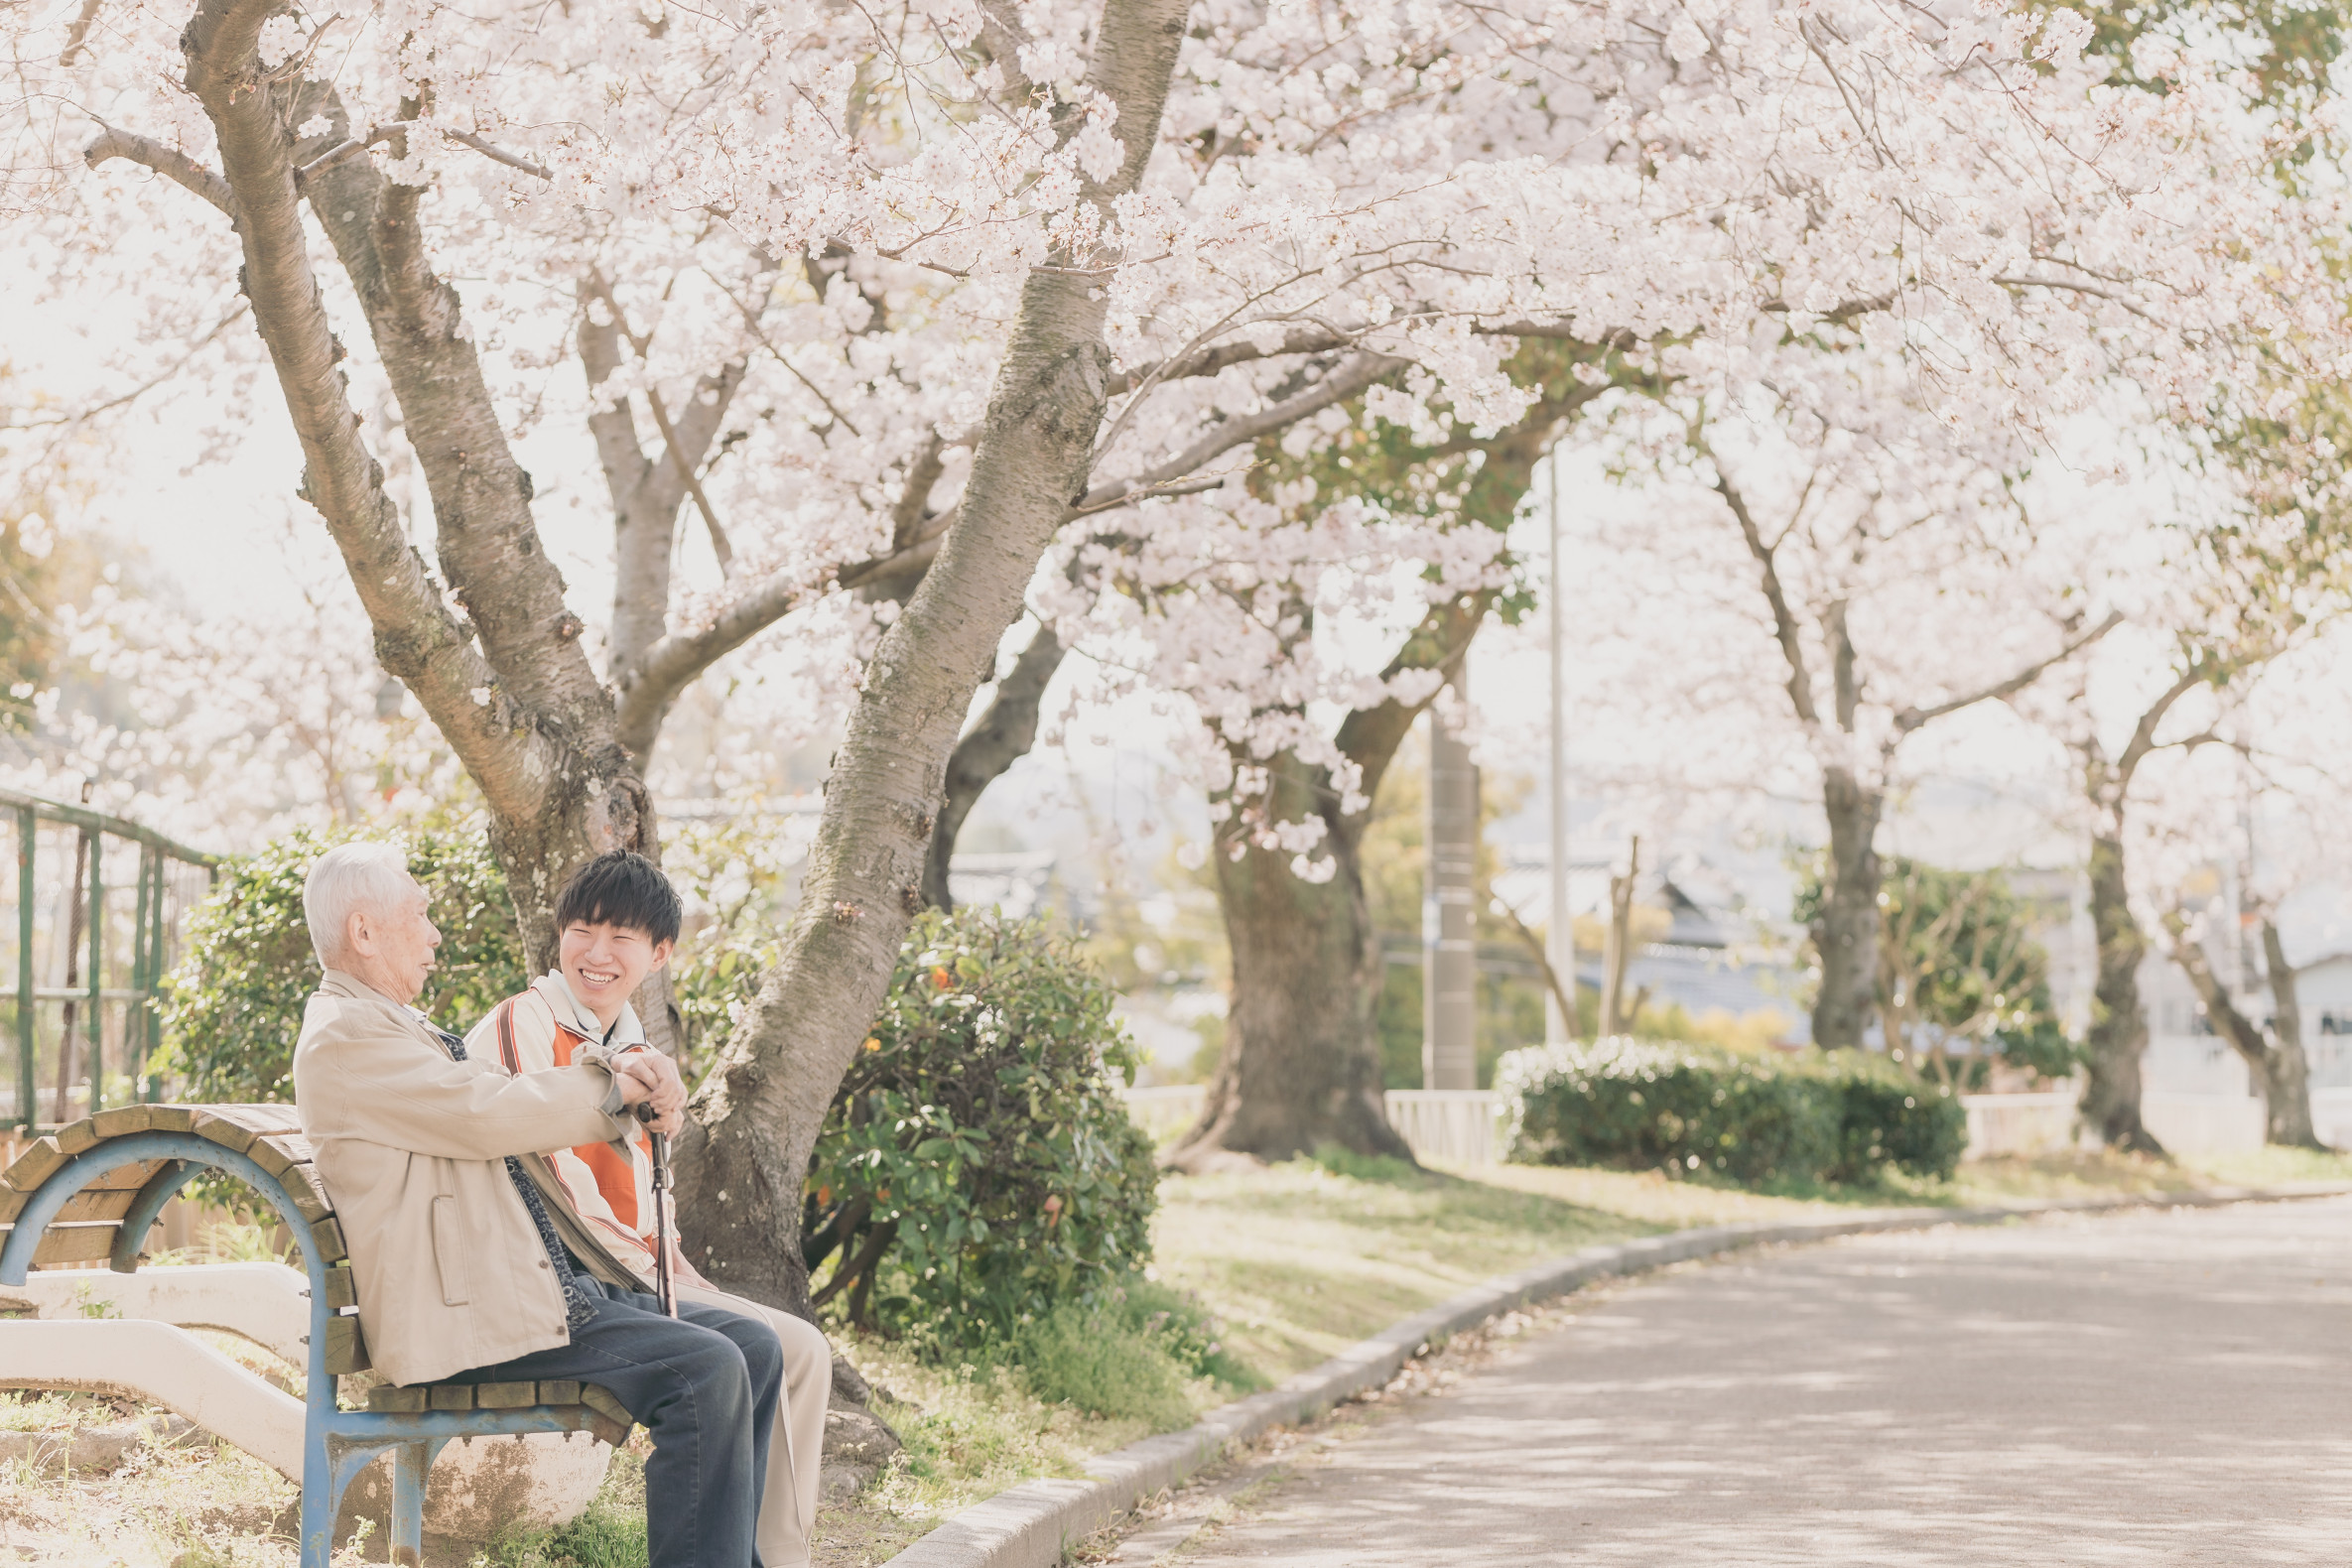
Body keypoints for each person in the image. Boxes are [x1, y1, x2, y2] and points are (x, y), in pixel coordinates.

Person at [291, 842, 784, 1568]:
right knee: (703, 1371)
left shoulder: (388, 1024)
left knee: (755, 1347)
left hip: (526, 1295)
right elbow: (487, 1111)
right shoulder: (349, 1035)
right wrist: (616, 1085)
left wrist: (627, 1079)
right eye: (420, 917)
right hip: (476, 1323)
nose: (434, 935)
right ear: (364, 933)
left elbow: (496, 1106)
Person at [467, 849, 830, 1568]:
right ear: (559, 935)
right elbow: (556, 1184)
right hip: (565, 1282)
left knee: (798, 1349)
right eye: (584, 930)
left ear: (659, 954)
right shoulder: (525, 1023)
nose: (597, 953)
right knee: (762, 1349)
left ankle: (774, 1557)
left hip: (624, 1273)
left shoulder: (631, 1042)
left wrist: (671, 1258)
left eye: (622, 937)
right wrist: (654, 1272)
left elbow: (639, 1194)